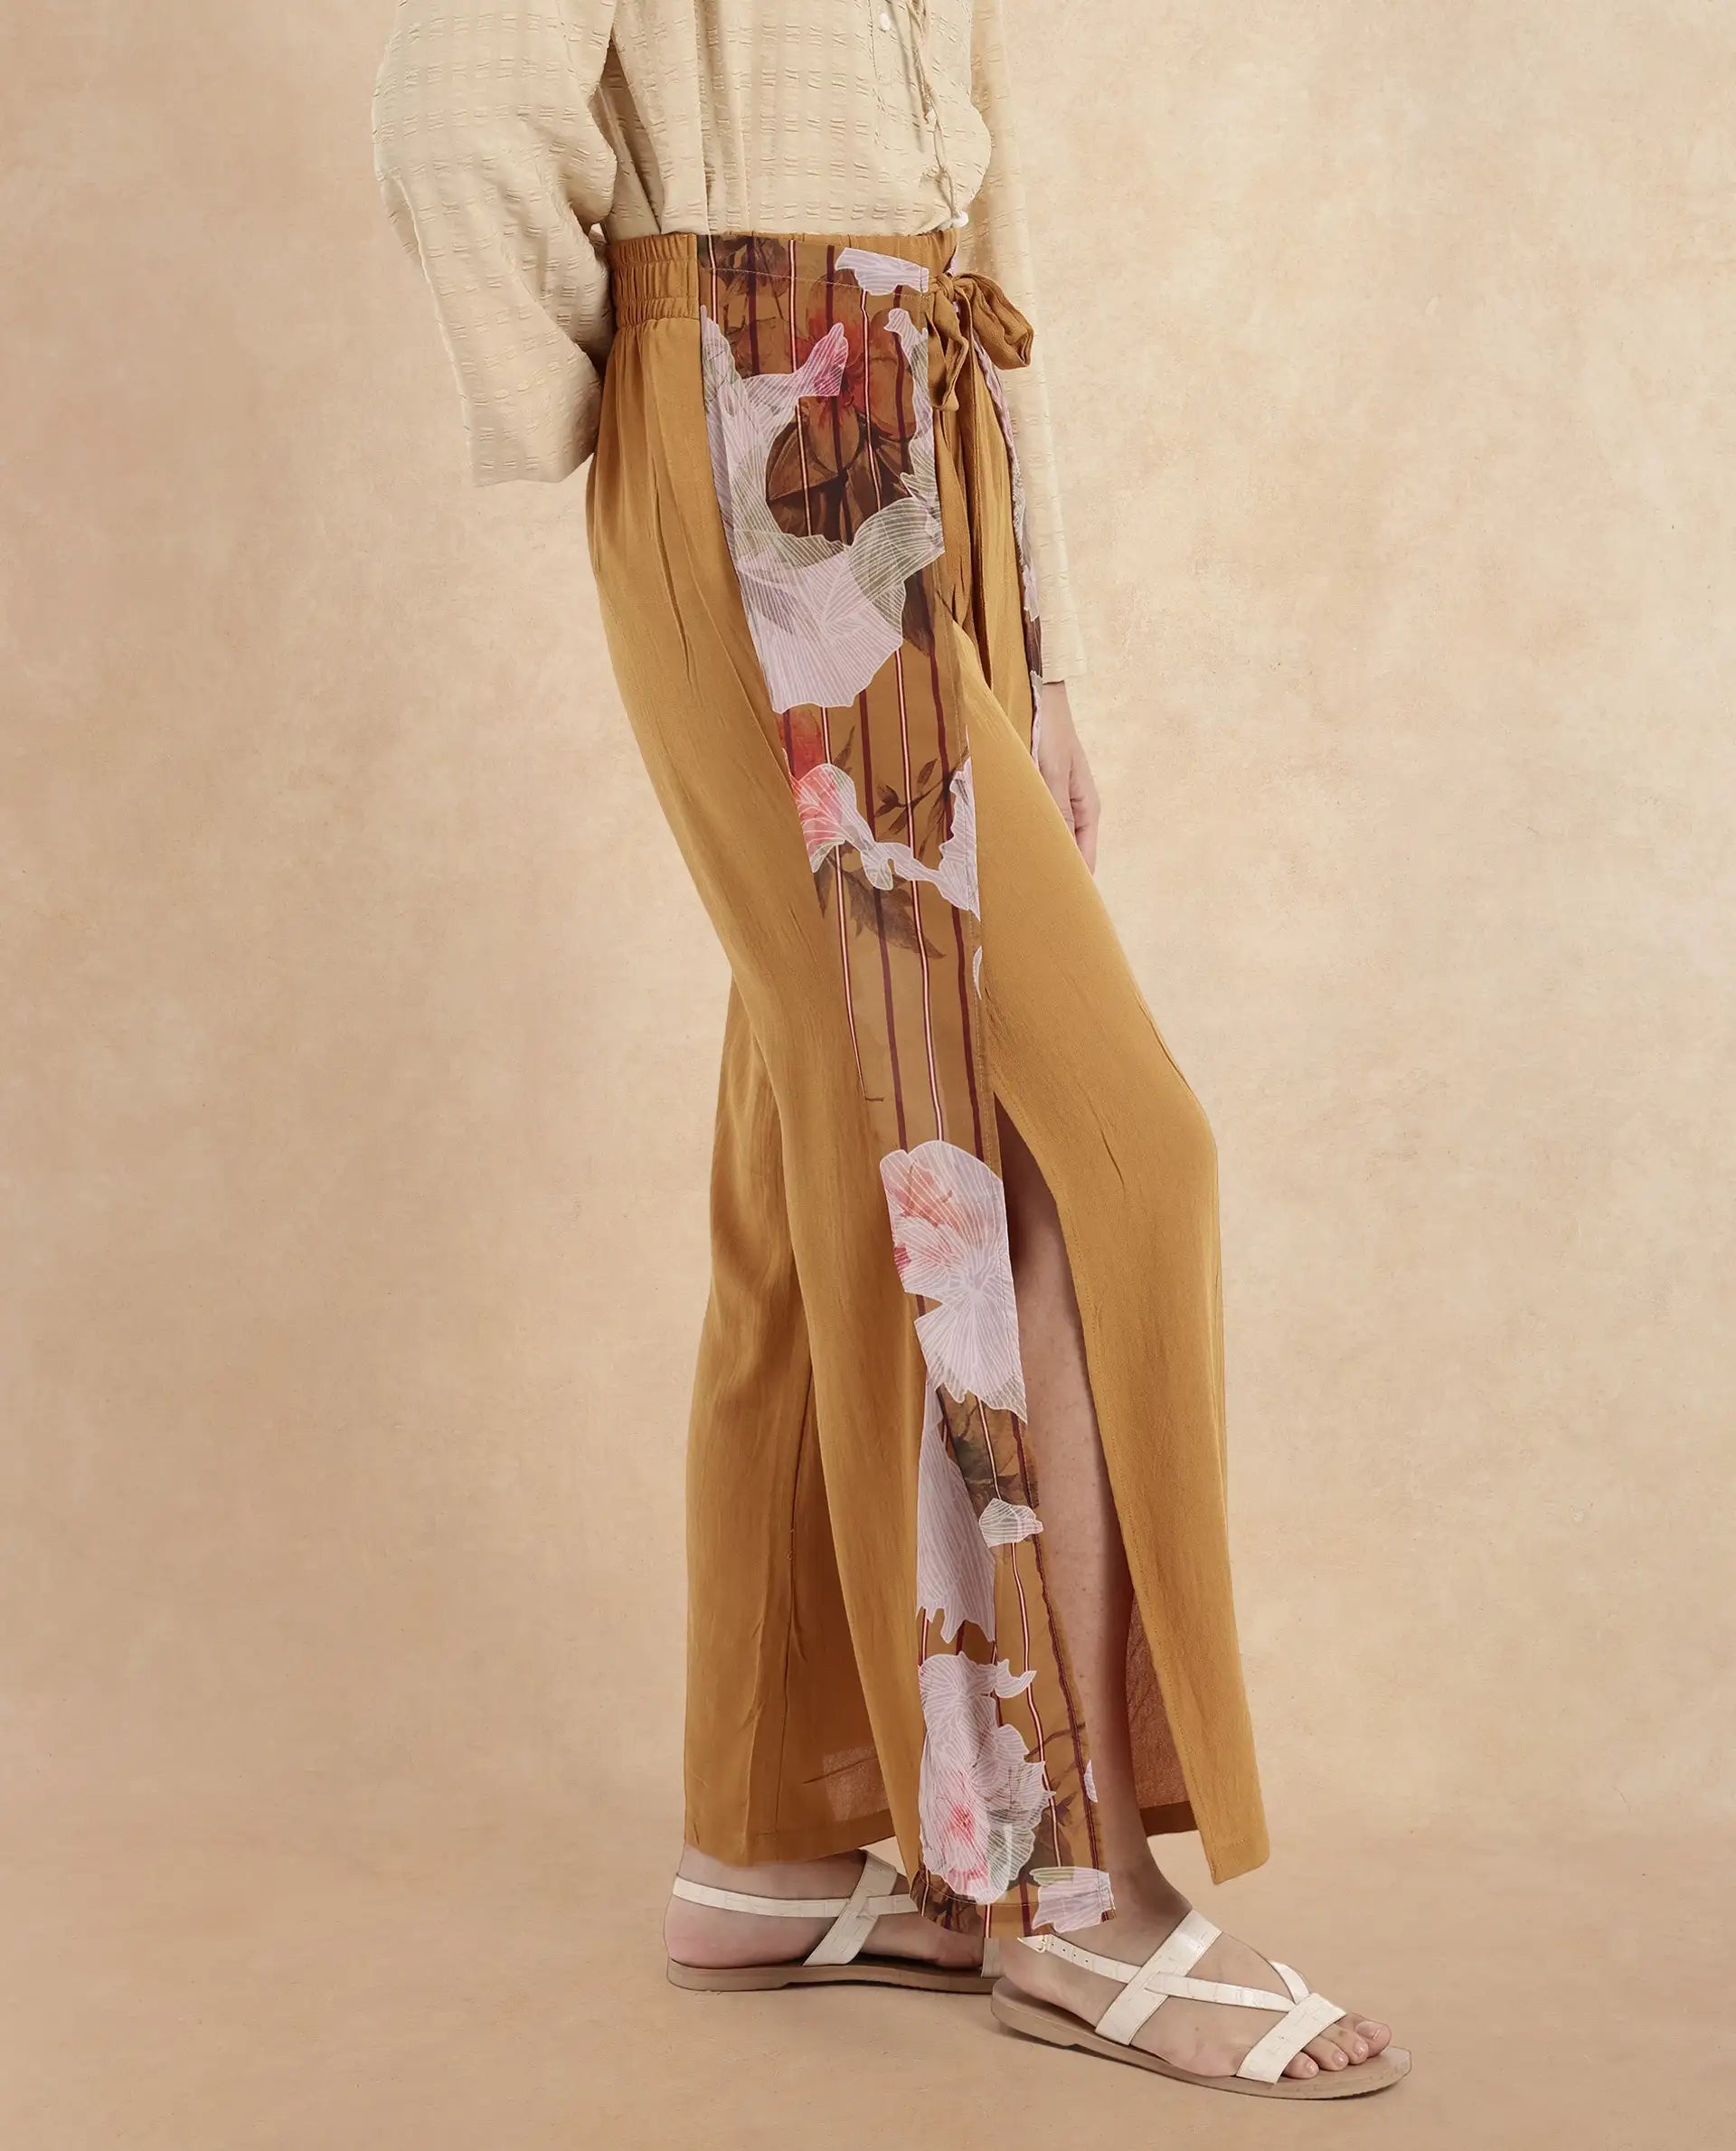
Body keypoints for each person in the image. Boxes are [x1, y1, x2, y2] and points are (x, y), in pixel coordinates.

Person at [371, 0, 1408, 2101]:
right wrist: (657, 384)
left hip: (913, 422)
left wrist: (1050, 649)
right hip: (772, 407)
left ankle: (763, 1834)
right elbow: (457, 118)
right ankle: (1072, 1880)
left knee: (820, 1151)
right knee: (1091, 1144)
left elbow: (981, 217)